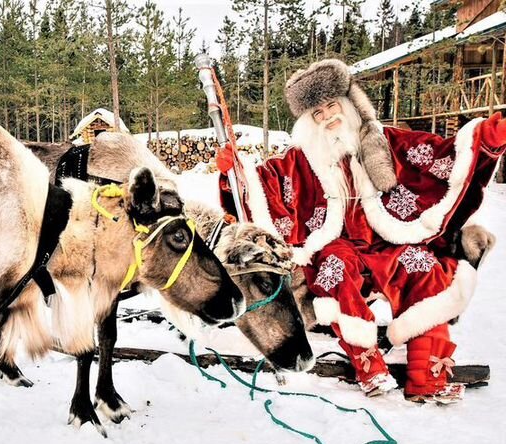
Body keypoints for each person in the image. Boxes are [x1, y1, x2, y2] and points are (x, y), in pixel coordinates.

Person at [216, 59, 505, 403]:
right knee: (335, 271)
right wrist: (234, 171)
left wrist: (484, 138)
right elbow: (262, 188)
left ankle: (428, 377)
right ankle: (369, 367)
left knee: (425, 268)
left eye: (331, 106)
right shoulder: (299, 159)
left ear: (347, 103)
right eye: (317, 113)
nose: (326, 117)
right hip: (336, 244)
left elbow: (438, 156)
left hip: (388, 240)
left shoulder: (385, 142)